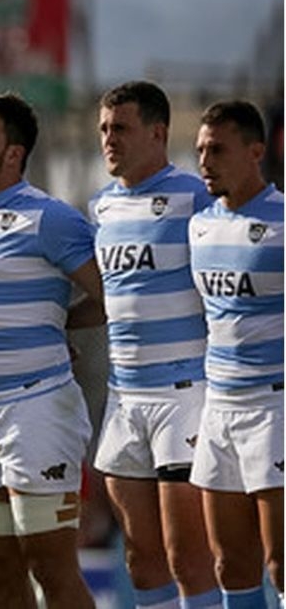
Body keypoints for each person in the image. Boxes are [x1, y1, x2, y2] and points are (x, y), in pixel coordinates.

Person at [0, 92, 105, 608]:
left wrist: (60, 323)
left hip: (35, 408)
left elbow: (112, 295)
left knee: (50, 568)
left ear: (13, 154)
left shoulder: (49, 217)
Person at [89, 81, 220, 609]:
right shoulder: (101, 207)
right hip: (123, 396)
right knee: (142, 562)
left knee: (189, 558)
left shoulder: (197, 198)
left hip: (184, 393)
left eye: (121, 127)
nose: (109, 139)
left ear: (158, 133)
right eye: (103, 128)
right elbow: (108, 297)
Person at [188, 100, 283, 609]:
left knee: (280, 562)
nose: (205, 161)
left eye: (218, 150)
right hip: (219, 406)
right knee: (230, 565)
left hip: (275, 407)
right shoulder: (199, 226)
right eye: (201, 150)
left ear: (255, 152)